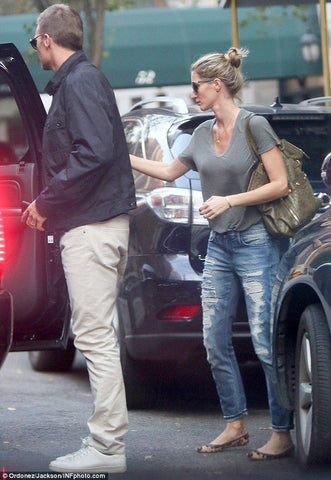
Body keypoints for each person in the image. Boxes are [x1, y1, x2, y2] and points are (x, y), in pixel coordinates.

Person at [130, 47, 294, 460]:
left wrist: (228, 200)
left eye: (195, 86)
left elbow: (281, 184)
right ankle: (235, 424)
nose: (191, 94)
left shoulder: (254, 127)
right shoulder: (202, 133)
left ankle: (282, 431)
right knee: (214, 339)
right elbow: (169, 172)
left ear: (216, 85)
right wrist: (120, 155)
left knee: (262, 341)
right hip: (220, 247)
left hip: (257, 243)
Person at [22, 4, 136, 473]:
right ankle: (108, 444)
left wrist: (46, 203)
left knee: (94, 337)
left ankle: (107, 448)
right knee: (97, 335)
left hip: (92, 227)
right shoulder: (79, 81)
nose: (36, 50)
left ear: (48, 38)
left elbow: (93, 155)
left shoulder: (81, 82)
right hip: (95, 223)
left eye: (35, 41)